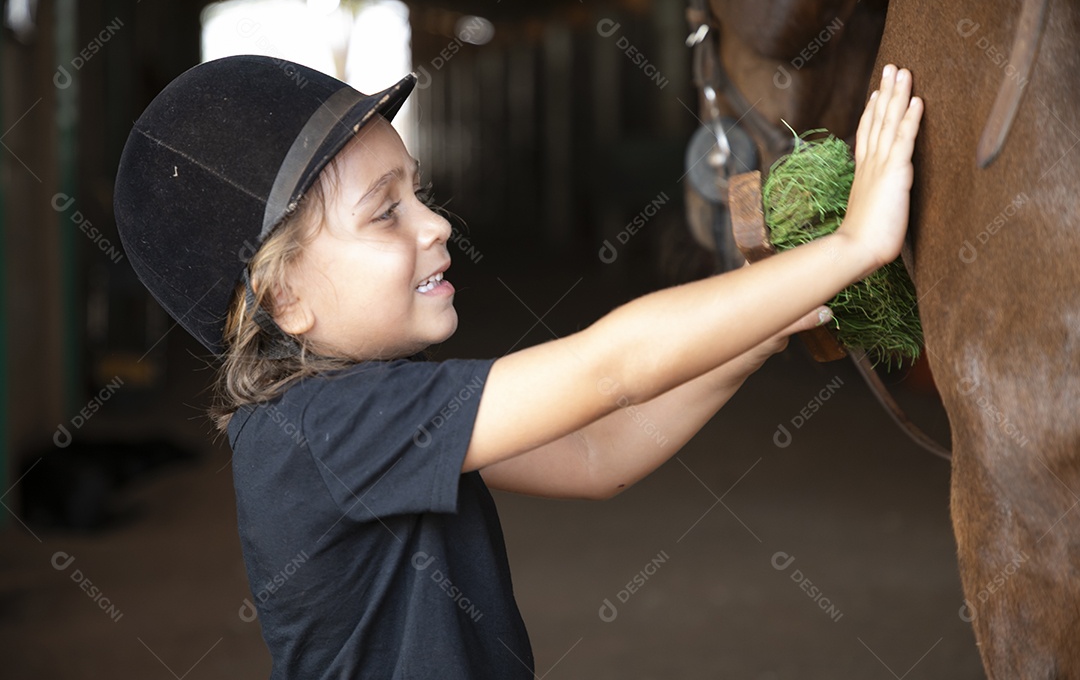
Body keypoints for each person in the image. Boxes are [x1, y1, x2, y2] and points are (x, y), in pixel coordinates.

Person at [114, 55, 922, 679]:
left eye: (418, 192)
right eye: (386, 211)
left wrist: (760, 322)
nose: (436, 224)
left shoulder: (367, 412)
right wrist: (854, 246)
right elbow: (612, 369)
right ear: (285, 297)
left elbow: (600, 451)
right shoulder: (325, 432)